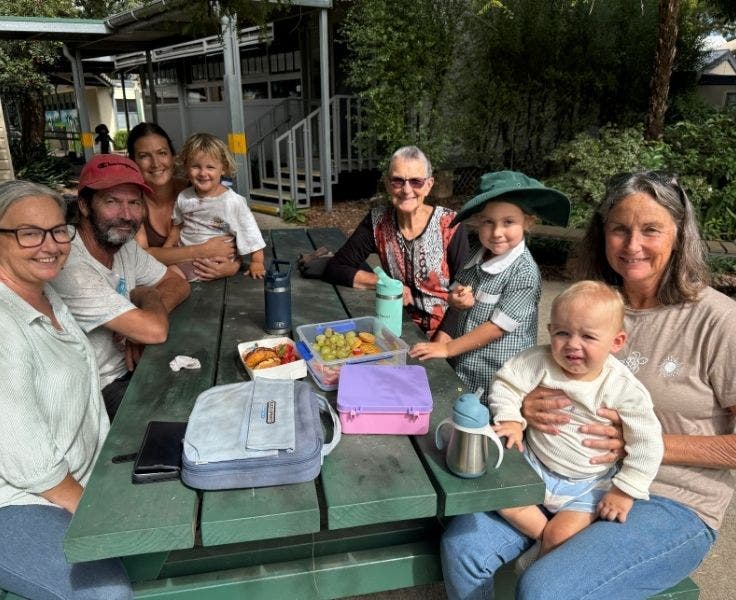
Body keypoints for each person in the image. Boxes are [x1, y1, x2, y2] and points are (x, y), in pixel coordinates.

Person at [441, 171, 736, 600]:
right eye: (619, 229)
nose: (632, 245)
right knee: (462, 546)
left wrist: (636, 442)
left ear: (679, 233)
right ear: (602, 235)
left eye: (651, 229)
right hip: (558, 469)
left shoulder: (718, 320)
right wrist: (523, 409)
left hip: (669, 498)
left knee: (548, 589)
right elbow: (533, 372)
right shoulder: (589, 304)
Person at [0, 180, 132, 599]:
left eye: (59, 230)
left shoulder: (47, 295)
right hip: (18, 499)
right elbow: (30, 461)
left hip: (75, 476)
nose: (50, 244)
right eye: (28, 233)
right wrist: (98, 513)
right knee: (106, 594)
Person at [491, 280, 663, 573]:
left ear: (616, 342)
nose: (572, 344)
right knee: (497, 493)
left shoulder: (622, 387)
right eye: (562, 333)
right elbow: (507, 384)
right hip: (534, 465)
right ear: (549, 332)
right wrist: (510, 418)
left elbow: (648, 443)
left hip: (586, 485)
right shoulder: (539, 360)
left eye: (588, 336)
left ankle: (536, 559)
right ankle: (541, 538)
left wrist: (624, 491)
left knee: (562, 535)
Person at [51, 154, 191, 420]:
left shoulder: (123, 246)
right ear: (84, 205)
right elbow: (155, 330)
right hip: (99, 390)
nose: (126, 215)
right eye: (112, 202)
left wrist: (144, 313)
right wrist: (146, 298)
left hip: (136, 366)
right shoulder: (67, 260)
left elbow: (177, 283)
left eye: (135, 202)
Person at [410, 171, 570, 395]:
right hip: (465, 360)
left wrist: (447, 348)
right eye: (488, 222)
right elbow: (457, 291)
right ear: (477, 222)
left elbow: (497, 327)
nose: (497, 232)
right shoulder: (476, 252)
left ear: (528, 222)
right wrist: (455, 300)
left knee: (489, 420)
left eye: (509, 222)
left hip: (498, 374)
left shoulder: (524, 273)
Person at [323, 145, 469, 340]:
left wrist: (440, 347)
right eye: (398, 181)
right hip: (397, 325)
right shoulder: (378, 221)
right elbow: (336, 267)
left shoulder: (450, 224)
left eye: (416, 181)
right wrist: (385, 284)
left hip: (445, 333)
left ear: (429, 184)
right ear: (387, 183)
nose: (407, 190)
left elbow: (463, 294)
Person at [128, 122, 239, 281]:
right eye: (144, 156)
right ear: (133, 162)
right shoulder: (132, 202)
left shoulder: (198, 188)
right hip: (165, 284)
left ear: (173, 157)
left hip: (215, 283)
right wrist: (203, 250)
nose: (156, 163)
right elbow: (141, 257)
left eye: (162, 153)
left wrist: (233, 266)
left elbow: (236, 233)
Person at [165, 132, 266, 281]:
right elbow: (177, 227)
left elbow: (250, 232)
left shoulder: (233, 202)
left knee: (165, 278)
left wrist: (257, 262)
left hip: (215, 262)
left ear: (223, 168)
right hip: (185, 256)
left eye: (210, 167)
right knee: (160, 274)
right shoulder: (184, 197)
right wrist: (166, 249)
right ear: (186, 167)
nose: (203, 173)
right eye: (195, 166)